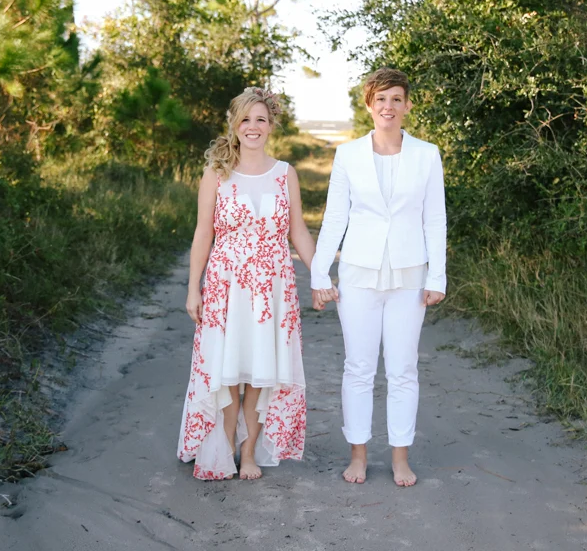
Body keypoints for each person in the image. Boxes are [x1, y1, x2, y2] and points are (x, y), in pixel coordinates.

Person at [310, 68, 447, 487]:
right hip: (358, 275)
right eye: (380, 99)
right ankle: (358, 455)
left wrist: (437, 275)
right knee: (359, 367)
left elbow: (435, 219)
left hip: (410, 276)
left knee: (403, 368)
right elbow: (335, 216)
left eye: (396, 99)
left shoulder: (427, 154)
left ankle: (401, 458)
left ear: (407, 105)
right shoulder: (348, 154)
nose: (388, 106)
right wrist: (319, 272)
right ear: (369, 105)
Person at [178, 87, 316, 480]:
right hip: (226, 284)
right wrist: (194, 286)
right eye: (245, 119)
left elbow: (298, 231)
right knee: (229, 370)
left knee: (260, 371)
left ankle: (249, 450)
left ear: (271, 125)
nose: (253, 127)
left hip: (272, 287)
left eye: (261, 119)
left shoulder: (285, 173)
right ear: (234, 125)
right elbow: (203, 233)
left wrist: (321, 273)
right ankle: (221, 445)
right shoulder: (216, 173)